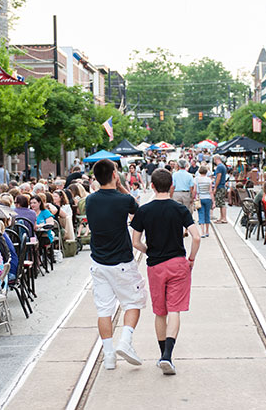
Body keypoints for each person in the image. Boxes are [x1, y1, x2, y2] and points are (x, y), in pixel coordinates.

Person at [131, 168, 200, 376]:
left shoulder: (144, 210)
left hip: (156, 266)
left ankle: (163, 355)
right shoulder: (179, 209)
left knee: (160, 312)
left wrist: (148, 250)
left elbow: (135, 242)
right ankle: (168, 356)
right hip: (178, 263)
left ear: (152, 186)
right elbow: (196, 237)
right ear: (172, 187)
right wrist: (191, 258)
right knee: (175, 310)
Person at [84, 158, 145, 370]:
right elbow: (138, 210)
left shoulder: (90, 200)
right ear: (114, 175)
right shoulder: (122, 200)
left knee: (104, 310)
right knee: (133, 303)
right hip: (121, 261)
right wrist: (122, 187)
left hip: (98, 263)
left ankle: (108, 356)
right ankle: (125, 342)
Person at [194, 166, 213, 238]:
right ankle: (207, 231)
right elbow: (210, 191)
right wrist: (213, 201)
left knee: (201, 214)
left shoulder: (196, 179)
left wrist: (193, 198)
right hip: (208, 198)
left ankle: (202, 232)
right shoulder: (209, 180)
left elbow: (195, 190)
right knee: (207, 214)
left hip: (200, 198)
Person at [212, 155, 228, 224]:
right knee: (221, 202)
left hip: (220, 186)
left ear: (216, 159)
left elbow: (218, 177)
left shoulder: (219, 167)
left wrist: (215, 187)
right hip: (222, 186)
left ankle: (224, 218)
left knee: (221, 202)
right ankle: (222, 217)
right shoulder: (223, 166)